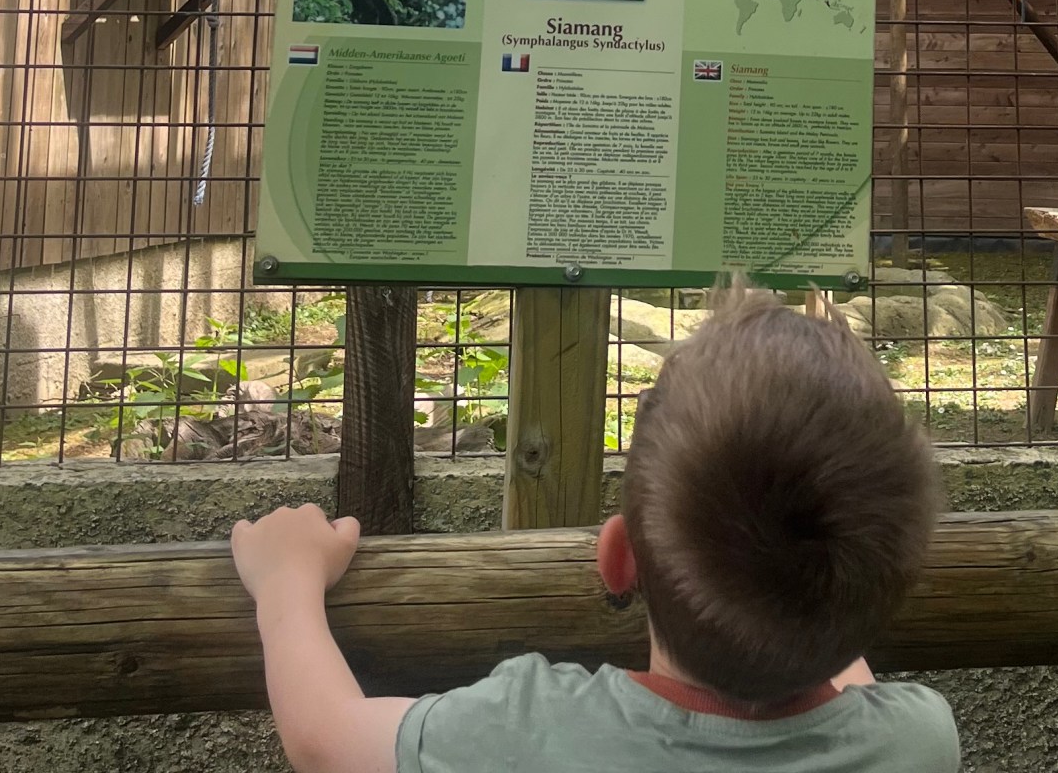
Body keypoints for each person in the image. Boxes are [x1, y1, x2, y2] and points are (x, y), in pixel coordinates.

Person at [232, 283, 957, 773]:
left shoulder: (525, 731)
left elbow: (323, 739)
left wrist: (286, 582)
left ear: (618, 558)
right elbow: (840, 654)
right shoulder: (916, 741)